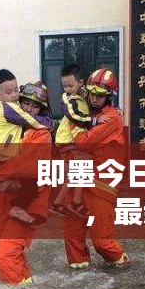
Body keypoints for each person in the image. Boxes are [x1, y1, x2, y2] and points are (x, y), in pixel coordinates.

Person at [0, 83, 53, 285]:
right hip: (0, 200)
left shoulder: (41, 134)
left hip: (26, 202)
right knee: (9, 254)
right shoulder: (10, 127)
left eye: (35, 105)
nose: (29, 108)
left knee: (4, 257)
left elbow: (27, 166)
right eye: (25, 102)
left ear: (42, 109)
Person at [62, 68, 128, 270]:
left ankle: (122, 264)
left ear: (109, 96)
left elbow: (83, 142)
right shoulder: (86, 111)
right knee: (72, 233)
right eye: (92, 93)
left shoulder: (112, 118)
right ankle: (79, 270)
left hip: (101, 183)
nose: (95, 98)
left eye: (100, 95)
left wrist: (73, 126)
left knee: (102, 242)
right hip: (79, 178)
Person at [0, 71, 49, 233]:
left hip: (1, 169)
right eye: (26, 103)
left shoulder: (36, 133)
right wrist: (49, 122)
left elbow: (28, 165)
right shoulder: (8, 109)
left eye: (15, 90)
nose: (13, 95)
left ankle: (15, 208)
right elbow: (32, 120)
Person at [50, 64, 108, 218]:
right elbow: (75, 116)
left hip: (71, 140)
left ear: (80, 83)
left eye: (70, 85)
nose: (67, 89)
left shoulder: (83, 96)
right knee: (81, 168)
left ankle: (62, 203)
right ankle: (70, 202)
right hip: (66, 141)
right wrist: (95, 121)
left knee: (76, 172)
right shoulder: (70, 100)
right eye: (64, 86)